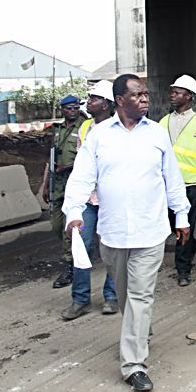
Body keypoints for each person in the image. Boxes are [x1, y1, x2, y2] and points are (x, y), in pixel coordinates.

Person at [63, 74, 191, 392]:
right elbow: (81, 178)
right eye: (138, 95)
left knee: (139, 294)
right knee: (124, 295)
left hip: (151, 231)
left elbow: (172, 179)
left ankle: (133, 363)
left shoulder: (157, 133)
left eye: (147, 94)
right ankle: (138, 328)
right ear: (120, 100)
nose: (146, 99)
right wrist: (74, 213)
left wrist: (183, 216)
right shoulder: (99, 136)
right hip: (114, 233)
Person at [61, 80, 119, 321]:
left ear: (106, 103)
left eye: (93, 99)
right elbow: (81, 165)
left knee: (113, 248)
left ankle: (111, 296)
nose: (89, 103)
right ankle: (80, 299)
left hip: (111, 198)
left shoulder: (119, 127)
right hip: (86, 197)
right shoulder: (85, 127)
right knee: (80, 246)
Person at [159, 75, 196, 286]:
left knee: (185, 225)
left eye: (177, 92)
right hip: (165, 184)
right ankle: (191, 244)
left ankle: (183, 269)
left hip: (190, 184)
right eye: (172, 91)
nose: (172, 95)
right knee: (170, 224)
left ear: (189, 96)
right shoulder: (163, 122)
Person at [42, 94, 84, 289]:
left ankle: (70, 266)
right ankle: (79, 249)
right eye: (69, 108)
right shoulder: (58, 130)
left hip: (75, 184)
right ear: (62, 110)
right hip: (57, 184)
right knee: (56, 225)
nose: (73, 111)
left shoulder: (85, 127)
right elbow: (50, 159)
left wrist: (66, 167)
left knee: (70, 227)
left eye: (76, 107)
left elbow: (88, 157)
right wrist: (44, 184)